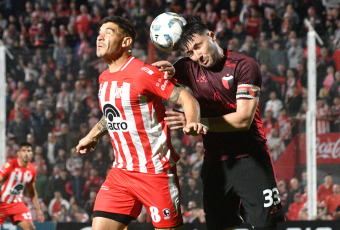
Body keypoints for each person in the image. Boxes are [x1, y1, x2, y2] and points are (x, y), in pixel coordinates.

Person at [153, 17, 285, 229]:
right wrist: (160, 72)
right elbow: (156, 78)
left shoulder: (244, 65)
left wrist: (196, 120)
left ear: (211, 36)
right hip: (215, 163)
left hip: (251, 159)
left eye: (198, 46)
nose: (198, 56)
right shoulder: (187, 67)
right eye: (190, 53)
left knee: (267, 226)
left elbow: (243, 119)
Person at [76, 16, 206, 230]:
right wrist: (92, 135)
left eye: (108, 32)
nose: (100, 36)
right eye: (100, 32)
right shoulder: (103, 78)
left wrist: (191, 122)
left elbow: (186, 97)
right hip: (121, 174)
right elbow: (114, 113)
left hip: (155, 172)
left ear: (126, 42)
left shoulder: (143, 73)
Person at [0, 141, 44, 229]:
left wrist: (38, 210)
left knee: (31, 228)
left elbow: (31, 191)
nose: (26, 153)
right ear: (19, 154)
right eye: (23, 151)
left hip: (17, 204)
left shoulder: (32, 170)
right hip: (2, 203)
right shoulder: (10, 165)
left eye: (28, 151)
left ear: (32, 154)